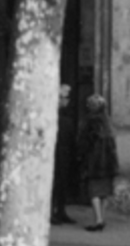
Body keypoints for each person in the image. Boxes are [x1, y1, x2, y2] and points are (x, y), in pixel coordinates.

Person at [78, 93, 118, 232]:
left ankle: (98, 220)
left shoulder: (90, 122)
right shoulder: (108, 123)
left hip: (94, 162)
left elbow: (85, 143)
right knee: (104, 193)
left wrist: (81, 156)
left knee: (94, 192)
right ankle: (102, 218)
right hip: (108, 163)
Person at [50, 84, 76, 225]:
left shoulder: (66, 116)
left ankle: (60, 211)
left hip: (64, 152)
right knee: (54, 183)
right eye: (65, 97)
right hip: (55, 153)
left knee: (62, 183)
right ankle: (50, 212)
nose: (67, 101)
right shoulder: (52, 115)